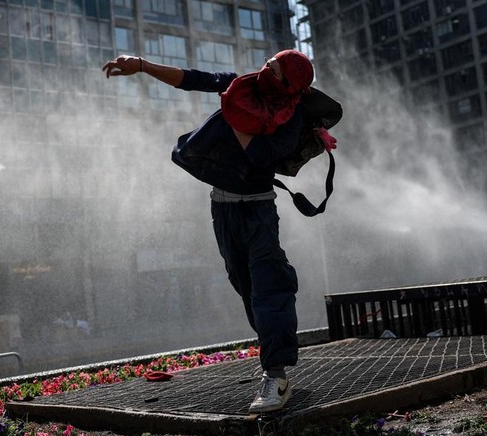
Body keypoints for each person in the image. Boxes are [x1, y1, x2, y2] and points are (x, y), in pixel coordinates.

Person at [102, 49, 323, 413]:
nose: (265, 68)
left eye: (275, 69)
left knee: (270, 284)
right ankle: (271, 357)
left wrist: (237, 119)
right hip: (222, 207)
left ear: (287, 85)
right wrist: (141, 65)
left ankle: (276, 374)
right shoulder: (241, 86)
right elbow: (193, 79)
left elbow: (268, 154)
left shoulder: (291, 115)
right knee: (246, 287)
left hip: (257, 208)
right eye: (269, 63)